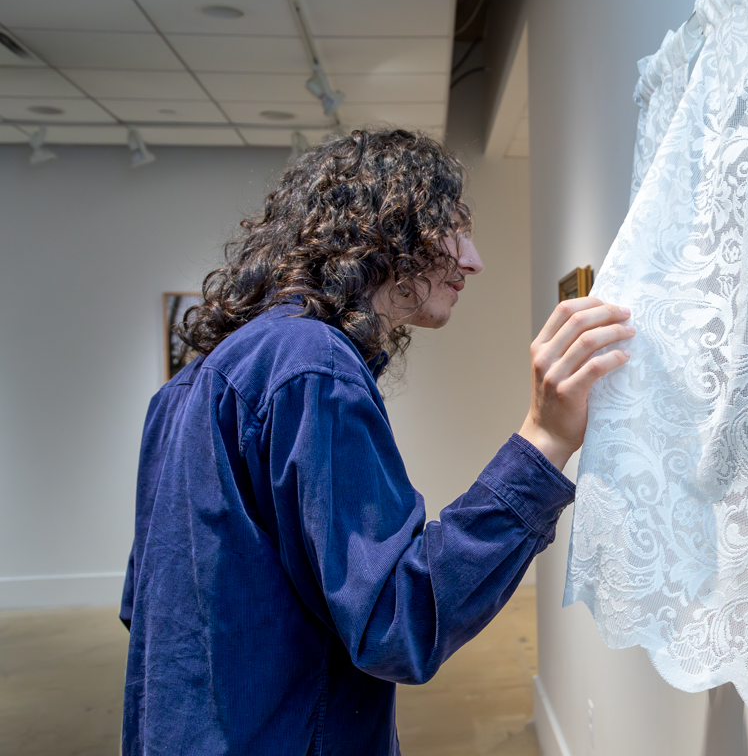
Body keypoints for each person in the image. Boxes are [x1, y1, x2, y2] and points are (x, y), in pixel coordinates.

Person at [119, 129, 635, 754]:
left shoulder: (195, 380)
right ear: (384, 230)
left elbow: (147, 608)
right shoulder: (311, 365)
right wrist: (545, 439)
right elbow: (398, 621)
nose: (473, 260)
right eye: (452, 229)